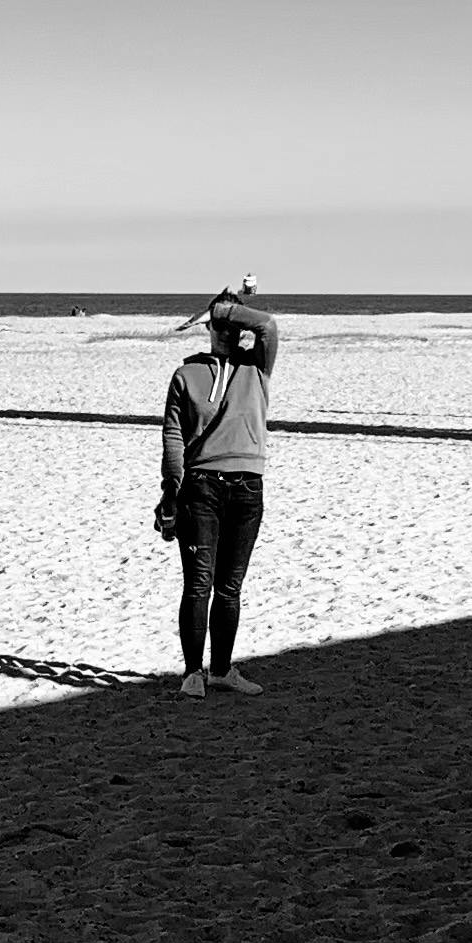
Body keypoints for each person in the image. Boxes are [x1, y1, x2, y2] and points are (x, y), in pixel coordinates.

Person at [157, 279, 280, 695]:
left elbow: (268, 325)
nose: (229, 330)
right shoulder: (186, 374)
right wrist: (170, 494)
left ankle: (223, 670)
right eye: (220, 322)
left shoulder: (257, 365)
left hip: (248, 488)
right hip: (202, 488)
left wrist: (227, 309)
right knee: (199, 583)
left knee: (230, 587)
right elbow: (173, 441)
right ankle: (194, 673)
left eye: (232, 322)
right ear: (209, 326)